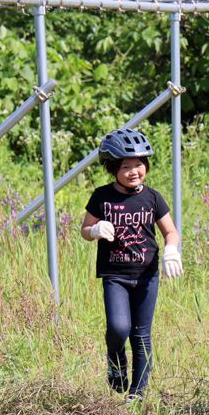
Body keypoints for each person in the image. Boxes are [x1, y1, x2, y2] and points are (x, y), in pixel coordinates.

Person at [81, 128, 182, 399]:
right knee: (118, 328)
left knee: (141, 335)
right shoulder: (102, 197)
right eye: (126, 166)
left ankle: (137, 394)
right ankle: (116, 366)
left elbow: (170, 231)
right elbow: (85, 229)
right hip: (115, 275)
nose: (134, 171)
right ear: (113, 168)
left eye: (139, 164)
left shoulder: (152, 197)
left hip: (147, 275)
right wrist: (94, 230)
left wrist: (172, 250)